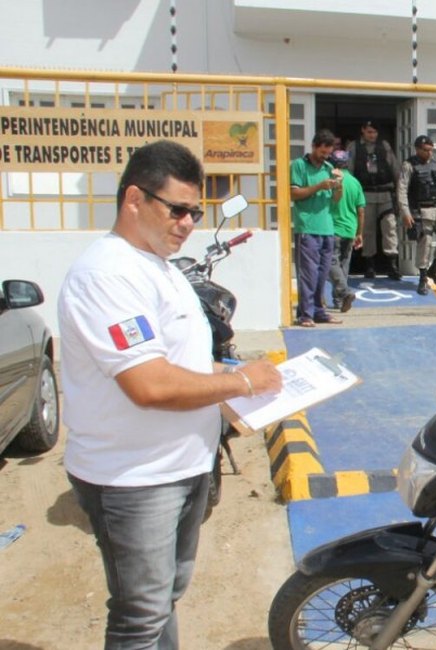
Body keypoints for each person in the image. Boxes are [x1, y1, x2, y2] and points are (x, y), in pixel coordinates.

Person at [58, 139, 283, 649]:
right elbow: (150, 384)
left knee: (164, 600)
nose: (187, 223)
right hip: (133, 478)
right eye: (177, 209)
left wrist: (239, 383)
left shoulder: (158, 267)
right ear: (134, 200)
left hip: (181, 467)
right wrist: (242, 382)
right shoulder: (106, 274)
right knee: (140, 614)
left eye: (194, 213)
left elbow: (181, 365)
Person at [291, 129, 344, 327]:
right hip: (307, 227)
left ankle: (319, 311)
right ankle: (305, 314)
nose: (325, 156)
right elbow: (294, 193)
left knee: (322, 275)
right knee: (308, 274)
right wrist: (319, 186)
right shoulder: (299, 165)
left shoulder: (329, 167)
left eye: (328, 153)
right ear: (314, 146)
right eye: (322, 152)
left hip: (327, 227)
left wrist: (339, 185)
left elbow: (336, 200)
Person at [397, 134, 436, 295]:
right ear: (418, 149)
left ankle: (435, 268)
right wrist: (405, 212)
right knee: (424, 242)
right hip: (421, 210)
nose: (429, 153)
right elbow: (402, 189)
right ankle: (423, 278)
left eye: (431, 150)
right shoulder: (409, 165)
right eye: (426, 150)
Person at [346, 120, 403, 280]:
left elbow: (395, 169)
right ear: (363, 130)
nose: (372, 135)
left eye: (375, 132)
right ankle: (369, 265)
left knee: (389, 228)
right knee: (367, 230)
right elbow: (349, 171)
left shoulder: (384, 146)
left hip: (385, 194)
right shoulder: (354, 147)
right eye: (369, 132)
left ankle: (392, 265)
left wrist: (400, 193)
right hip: (365, 194)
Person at [325, 148, 365, 312]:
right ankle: (339, 301)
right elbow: (361, 211)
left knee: (329, 263)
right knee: (343, 266)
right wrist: (359, 233)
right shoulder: (355, 182)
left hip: (333, 228)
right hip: (350, 229)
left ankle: (345, 292)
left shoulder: (330, 180)